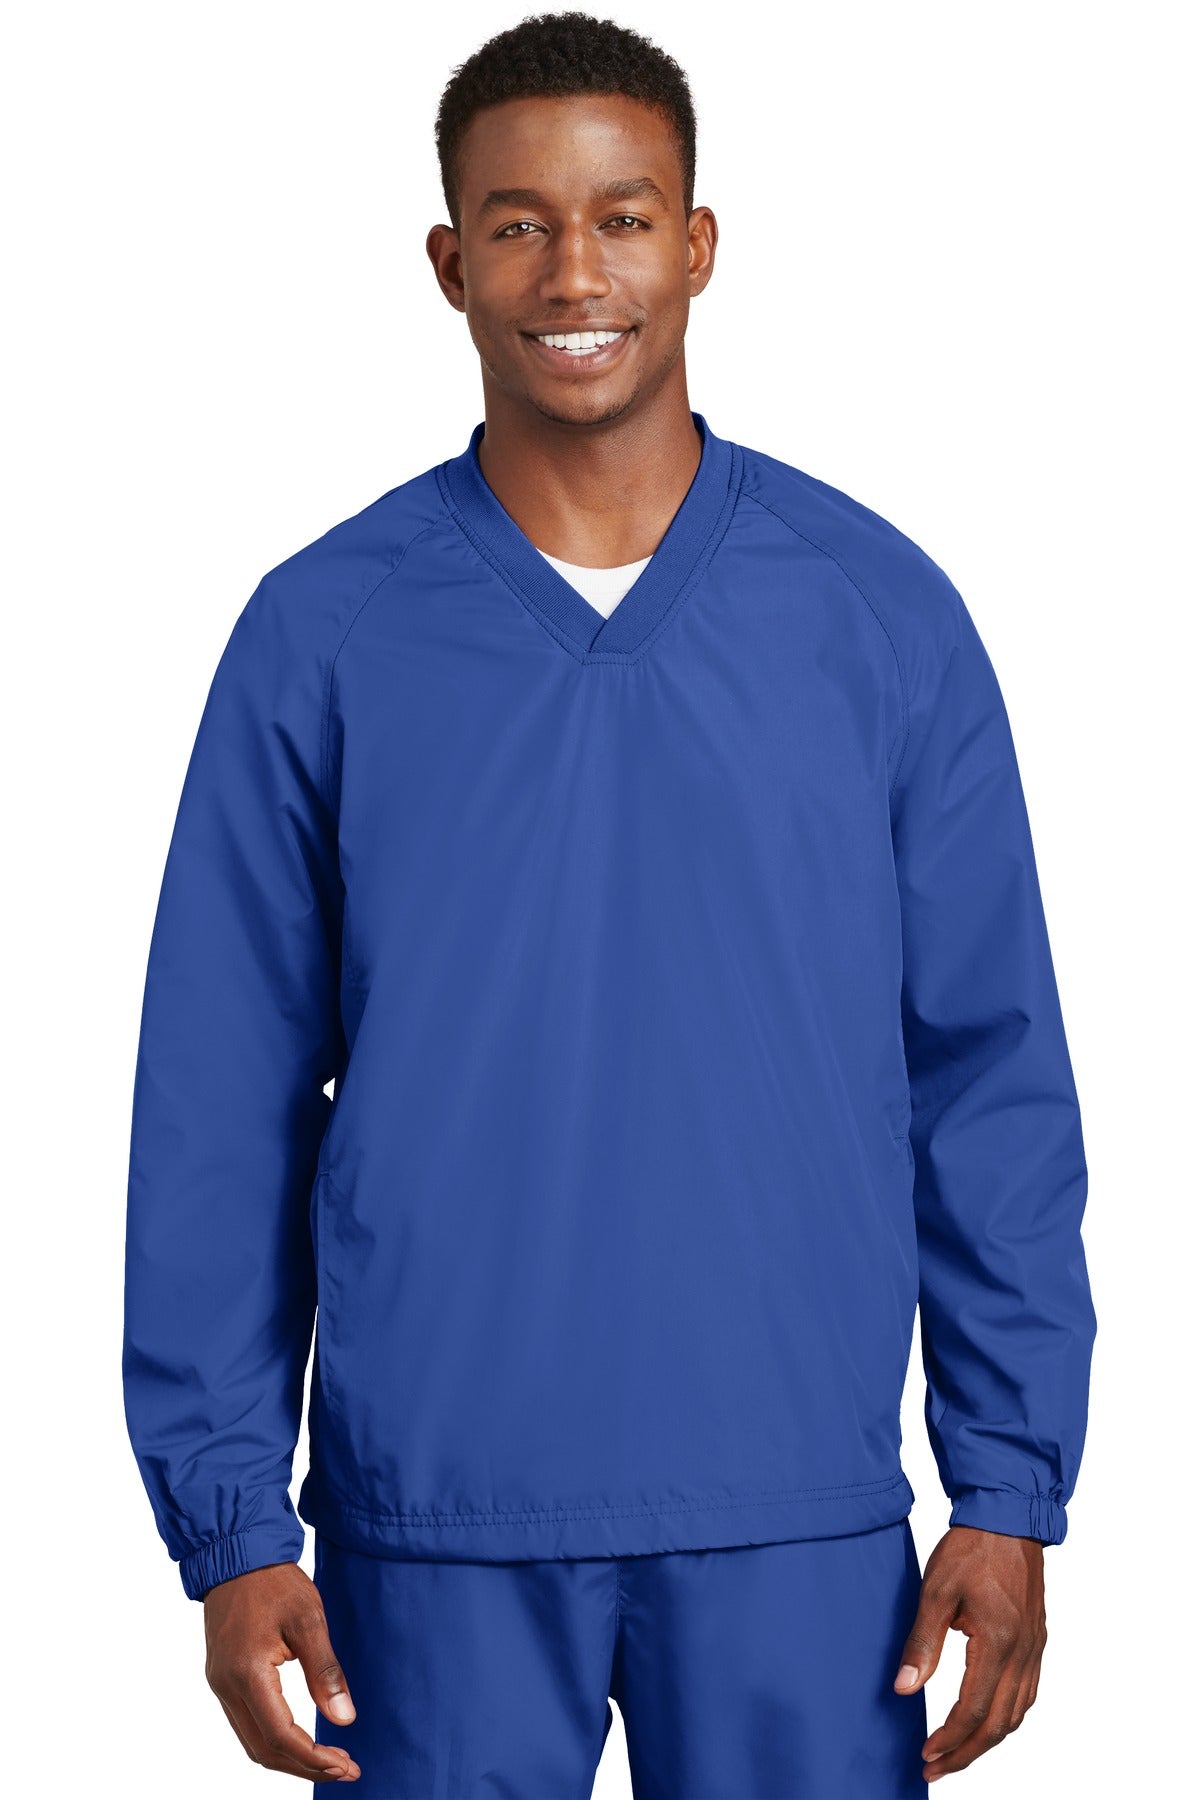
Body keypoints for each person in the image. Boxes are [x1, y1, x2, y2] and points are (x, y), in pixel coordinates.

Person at [121, 11, 1097, 1794]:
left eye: (623, 218)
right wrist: (230, 1522)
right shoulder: (324, 634)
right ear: (449, 264)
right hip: (434, 1527)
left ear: (698, 244)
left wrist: (1011, 1480)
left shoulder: (878, 617)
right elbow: (219, 1103)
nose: (575, 273)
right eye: (519, 224)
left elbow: (990, 1077)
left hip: (798, 1520)